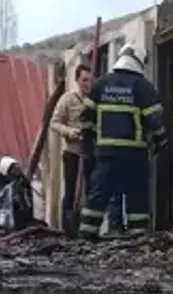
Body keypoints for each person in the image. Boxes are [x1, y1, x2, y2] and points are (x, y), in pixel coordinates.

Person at [77, 44, 163, 238]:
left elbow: (85, 118)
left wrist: (89, 144)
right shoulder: (143, 87)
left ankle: (85, 237)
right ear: (139, 61)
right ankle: (137, 237)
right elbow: (156, 122)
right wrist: (159, 142)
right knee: (137, 196)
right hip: (134, 155)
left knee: (98, 196)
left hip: (105, 154)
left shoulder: (100, 84)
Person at [50, 64, 123, 232]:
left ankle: (90, 228)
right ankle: (68, 229)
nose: (88, 84)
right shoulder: (68, 99)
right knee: (70, 192)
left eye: (91, 80)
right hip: (73, 153)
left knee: (93, 191)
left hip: (93, 153)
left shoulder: (98, 99)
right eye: (84, 80)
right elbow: (54, 123)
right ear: (77, 80)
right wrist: (70, 131)